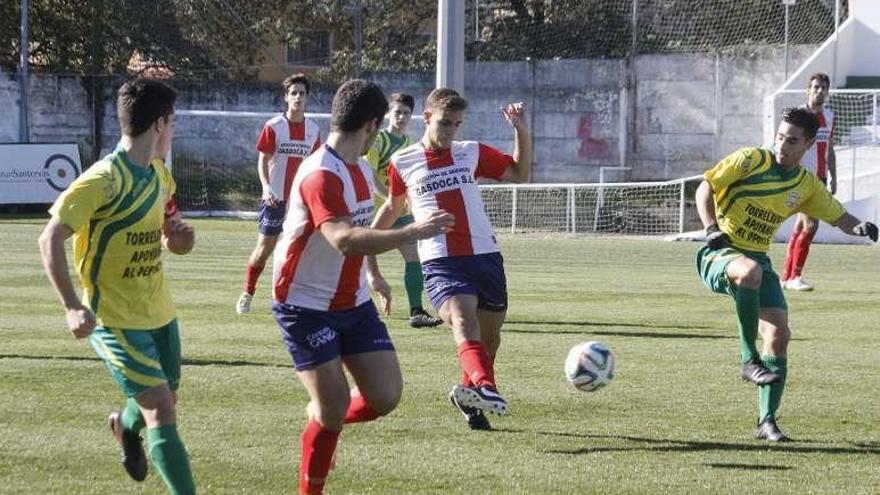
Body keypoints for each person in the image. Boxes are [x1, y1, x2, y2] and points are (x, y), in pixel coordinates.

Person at [271, 79, 454, 495]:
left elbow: (361, 230)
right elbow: (343, 238)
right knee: (334, 406)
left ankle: (320, 418)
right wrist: (415, 231)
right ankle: (311, 482)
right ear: (372, 125)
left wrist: (372, 274)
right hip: (304, 305)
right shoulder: (320, 174)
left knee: (385, 396)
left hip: (352, 302)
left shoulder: (359, 167)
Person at [38, 78, 197, 494]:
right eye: (173, 122)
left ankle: (124, 428)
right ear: (160, 124)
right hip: (115, 319)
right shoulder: (104, 179)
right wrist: (72, 306)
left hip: (161, 312)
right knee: (161, 409)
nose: (174, 130)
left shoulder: (160, 174)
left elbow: (171, 231)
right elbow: (49, 237)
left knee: (164, 401)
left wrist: (180, 236)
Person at [695, 107, 877, 442]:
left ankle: (767, 422)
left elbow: (839, 216)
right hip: (720, 251)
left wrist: (861, 227)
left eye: (792, 141)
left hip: (758, 261)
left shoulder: (806, 185)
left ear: (808, 145)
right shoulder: (750, 160)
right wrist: (710, 229)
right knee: (749, 272)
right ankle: (748, 360)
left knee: (780, 335)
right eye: (780, 137)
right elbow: (705, 187)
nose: (782, 145)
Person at [371, 88, 531, 431]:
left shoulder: (470, 152)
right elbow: (392, 207)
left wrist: (520, 129)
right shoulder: (404, 161)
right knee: (461, 320)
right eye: (444, 123)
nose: (450, 131)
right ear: (427, 118)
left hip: (486, 256)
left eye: (456, 124)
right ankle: (487, 387)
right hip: (441, 261)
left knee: (488, 341)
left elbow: (519, 174)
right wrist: (368, 257)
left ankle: (469, 395)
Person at [237, 73, 322, 314]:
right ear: (286, 97)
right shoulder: (274, 126)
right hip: (275, 199)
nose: (297, 97)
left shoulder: (314, 130)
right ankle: (248, 292)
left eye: (302, 93)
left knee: (303, 251)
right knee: (265, 248)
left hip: (301, 203)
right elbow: (262, 161)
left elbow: (315, 165)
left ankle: (294, 298)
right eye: (293, 93)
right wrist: (266, 187)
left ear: (307, 98)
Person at [365, 92, 443, 328]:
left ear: (412, 116)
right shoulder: (378, 140)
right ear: (389, 113)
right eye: (397, 112)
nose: (401, 116)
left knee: (413, 256)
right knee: (355, 260)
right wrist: (389, 197)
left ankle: (416, 311)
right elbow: (369, 174)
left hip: (400, 212)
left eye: (406, 113)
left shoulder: (410, 145)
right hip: (375, 212)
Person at [780, 72, 838, 291]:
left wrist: (834, 176)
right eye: (815, 87)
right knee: (812, 226)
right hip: (802, 178)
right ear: (808, 90)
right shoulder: (799, 115)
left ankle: (785, 277)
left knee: (801, 226)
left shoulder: (831, 116)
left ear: (828, 91)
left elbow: (830, 149)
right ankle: (795, 276)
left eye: (823, 87)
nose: (819, 91)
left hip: (820, 179)